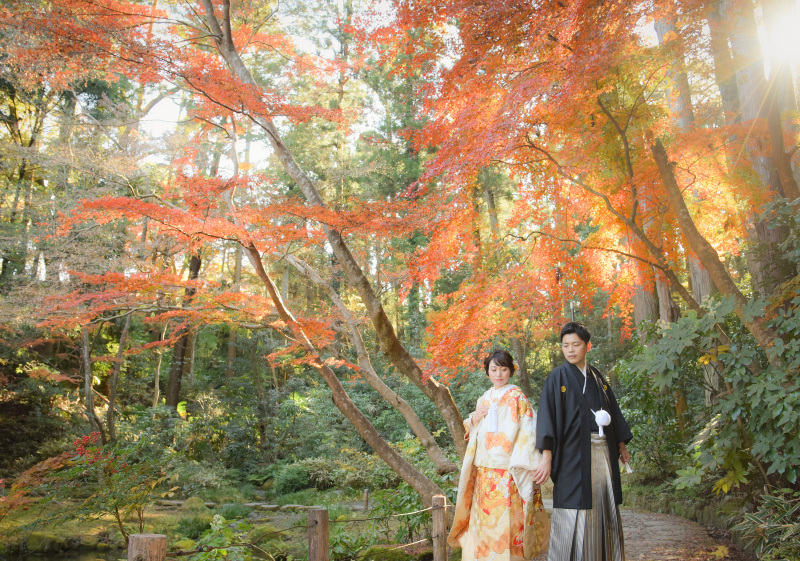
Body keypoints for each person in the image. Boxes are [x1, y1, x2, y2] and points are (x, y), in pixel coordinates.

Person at [533, 322, 632, 561]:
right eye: (565, 345)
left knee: (601, 503)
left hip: (601, 452)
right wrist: (547, 456)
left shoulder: (598, 377)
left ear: (588, 345)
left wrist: (620, 444)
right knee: (571, 504)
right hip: (571, 456)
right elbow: (548, 417)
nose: (570, 350)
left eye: (575, 344)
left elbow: (612, 411)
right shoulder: (557, 377)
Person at [449, 349, 550, 561]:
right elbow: (472, 428)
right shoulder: (484, 398)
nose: (499, 374)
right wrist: (474, 418)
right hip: (485, 475)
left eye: (504, 369)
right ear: (487, 371)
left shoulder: (517, 396)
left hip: (508, 472)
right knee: (484, 525)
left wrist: (526, 463)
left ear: (510, 371)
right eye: (494, 369)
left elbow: (529, 430)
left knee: (507, 524)